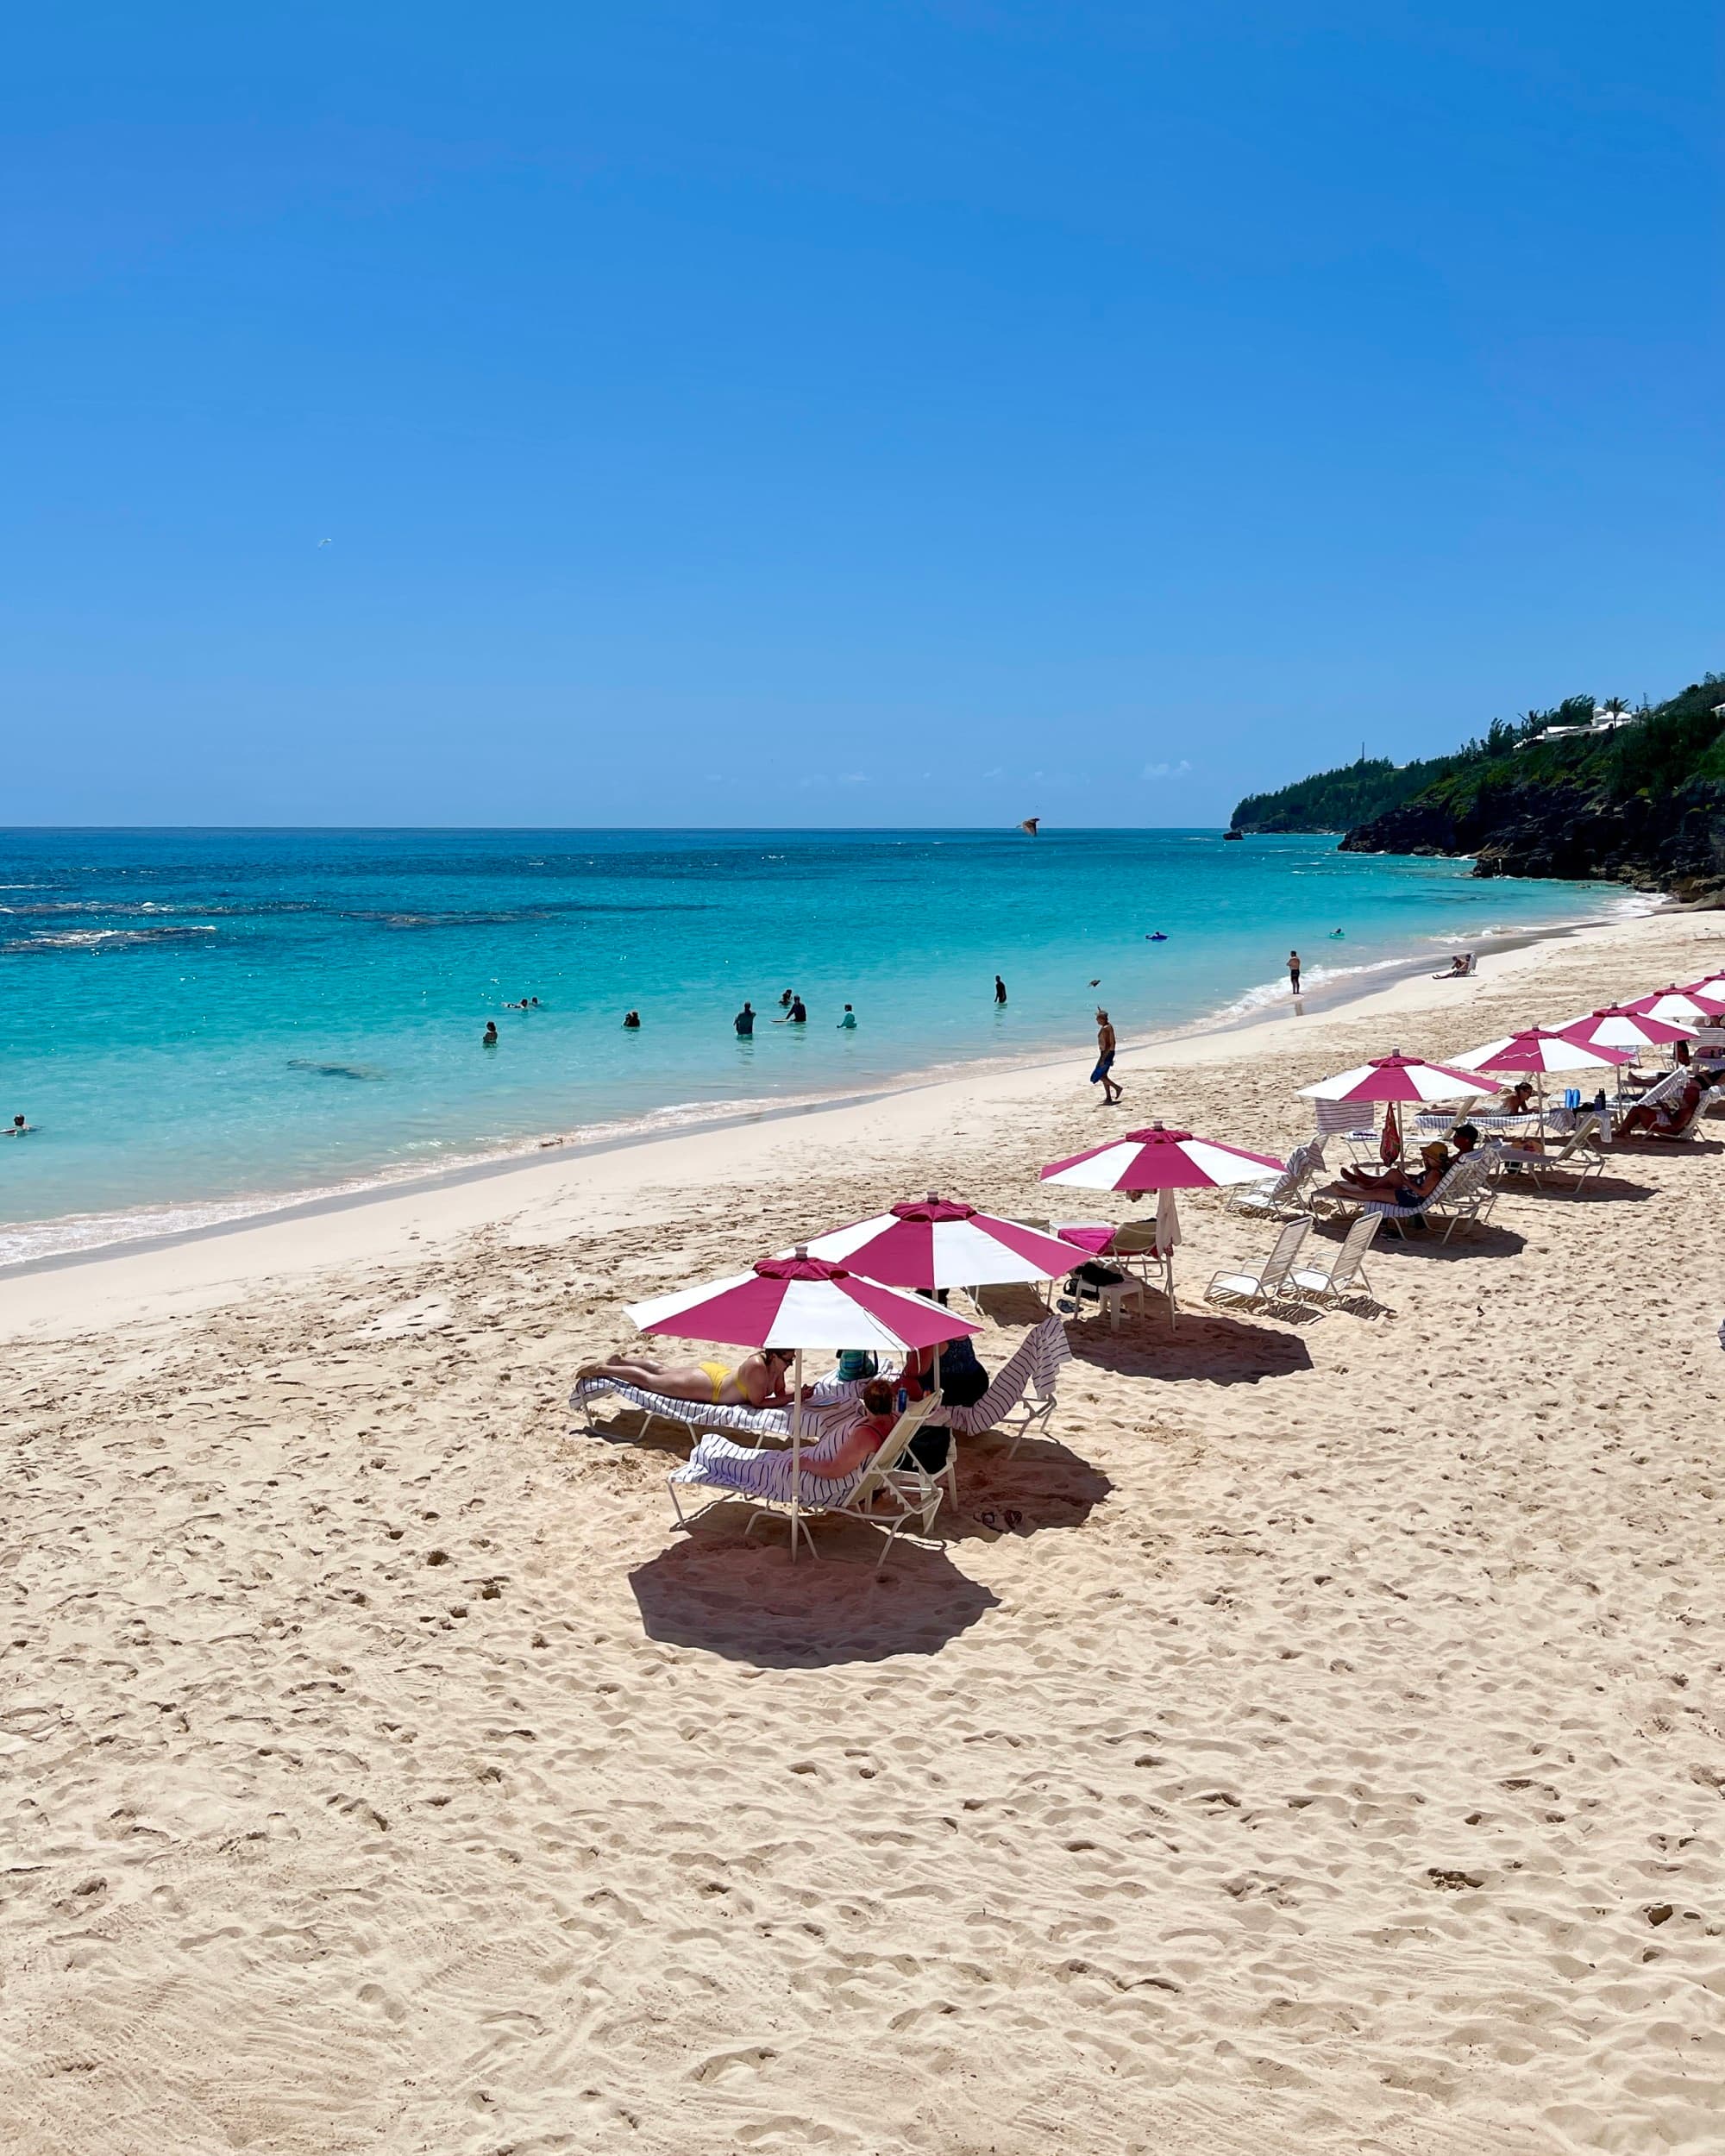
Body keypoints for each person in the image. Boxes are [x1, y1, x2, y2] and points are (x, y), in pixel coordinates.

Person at [681, 1377, 905, 1502]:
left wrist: (806, 1464)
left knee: (754, 1468)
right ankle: (711, 1450)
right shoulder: (895, 1421)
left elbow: (836, 1471)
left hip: (815, 1479)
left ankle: (708, 1455)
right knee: (763, 1458)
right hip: (812, 1461)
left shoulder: (865, 1435)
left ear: (867, 1404)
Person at [576, 1344, 799, 1407]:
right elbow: (758, 1402)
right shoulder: (757, 1366)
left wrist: (801, 1393)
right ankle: (603, 1370)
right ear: (774, 1355)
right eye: (788, 1359)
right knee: (652, 1382)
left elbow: (779, 1391)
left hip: (718, 1377)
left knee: (664, 1371)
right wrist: (792, 1398)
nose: (791, 1363)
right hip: (710, 1388)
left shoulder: (776, 1367)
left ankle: (621, 1361)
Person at [1338, 1141, 1451, 1207]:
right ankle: (1366, 1181)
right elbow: (1424, 1184)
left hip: (1412, 1198)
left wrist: (1408, 1183)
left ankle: (1347, 1192)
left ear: (1436, 1159)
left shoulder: (1434, 1174)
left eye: (1427, 1157)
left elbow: (1423, 1192)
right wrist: (1410, 1179)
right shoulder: (1436, 1170)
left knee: (1377, 1192)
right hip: (1411, 1193)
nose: (1425, 1159)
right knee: (1393, 1174)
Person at [1618, 1076, 1703, 1139]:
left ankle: (1624, 1131)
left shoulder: (1688, 1111)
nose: (1683, 1096)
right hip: (1666, 1122)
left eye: (1686, 1095)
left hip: (1666, 1127)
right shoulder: (1688, 1106)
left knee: (1638, 1108)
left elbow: (1677, 1126)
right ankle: (1625, 1130)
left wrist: (1666, 1111)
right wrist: (1667, 1108)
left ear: (1692, 1097)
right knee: (1640, 1108)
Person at [1090, 1008, 1123, 1105]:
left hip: (1106, 1053)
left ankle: (1117, 1088)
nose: (1097, 1021)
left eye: (1098, 1019)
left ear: (1102, 1019)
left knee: (1098, 1075)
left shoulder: (1106, 1028)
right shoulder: (1108, 1026)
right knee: (1104, 1075)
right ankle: (1108, 1097)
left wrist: (1104, 1058)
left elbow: (1109, 1044)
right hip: (1107, 1053)